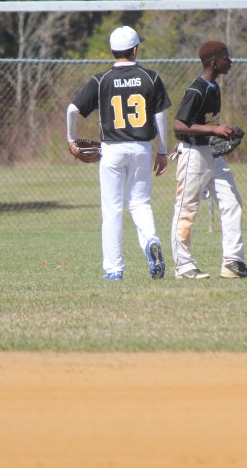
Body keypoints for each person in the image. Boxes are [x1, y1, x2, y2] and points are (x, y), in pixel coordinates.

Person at [66, 25, 171, 281]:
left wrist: (71, 138)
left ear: (114, 51)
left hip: (111, 149)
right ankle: (151, 240)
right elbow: (160, 115)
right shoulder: (151, 77)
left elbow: (71, 110)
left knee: (112, 208)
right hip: (141, 147)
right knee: (139, 202)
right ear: (135, 50)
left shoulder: (101, 80)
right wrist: (163, 150)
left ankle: (114, 269)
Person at [170, 40, 247, 280]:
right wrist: (214, 130)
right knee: (186, 209)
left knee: (232, 201)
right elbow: (179, 125)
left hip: (211, 154)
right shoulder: (196, 89)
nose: (229, 61)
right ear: (213, 61)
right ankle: (183, 266)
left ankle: (232, 262)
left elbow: (208, 124)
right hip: (192, 154)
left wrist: (221, 130)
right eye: (225, 57)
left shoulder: (213, 87)